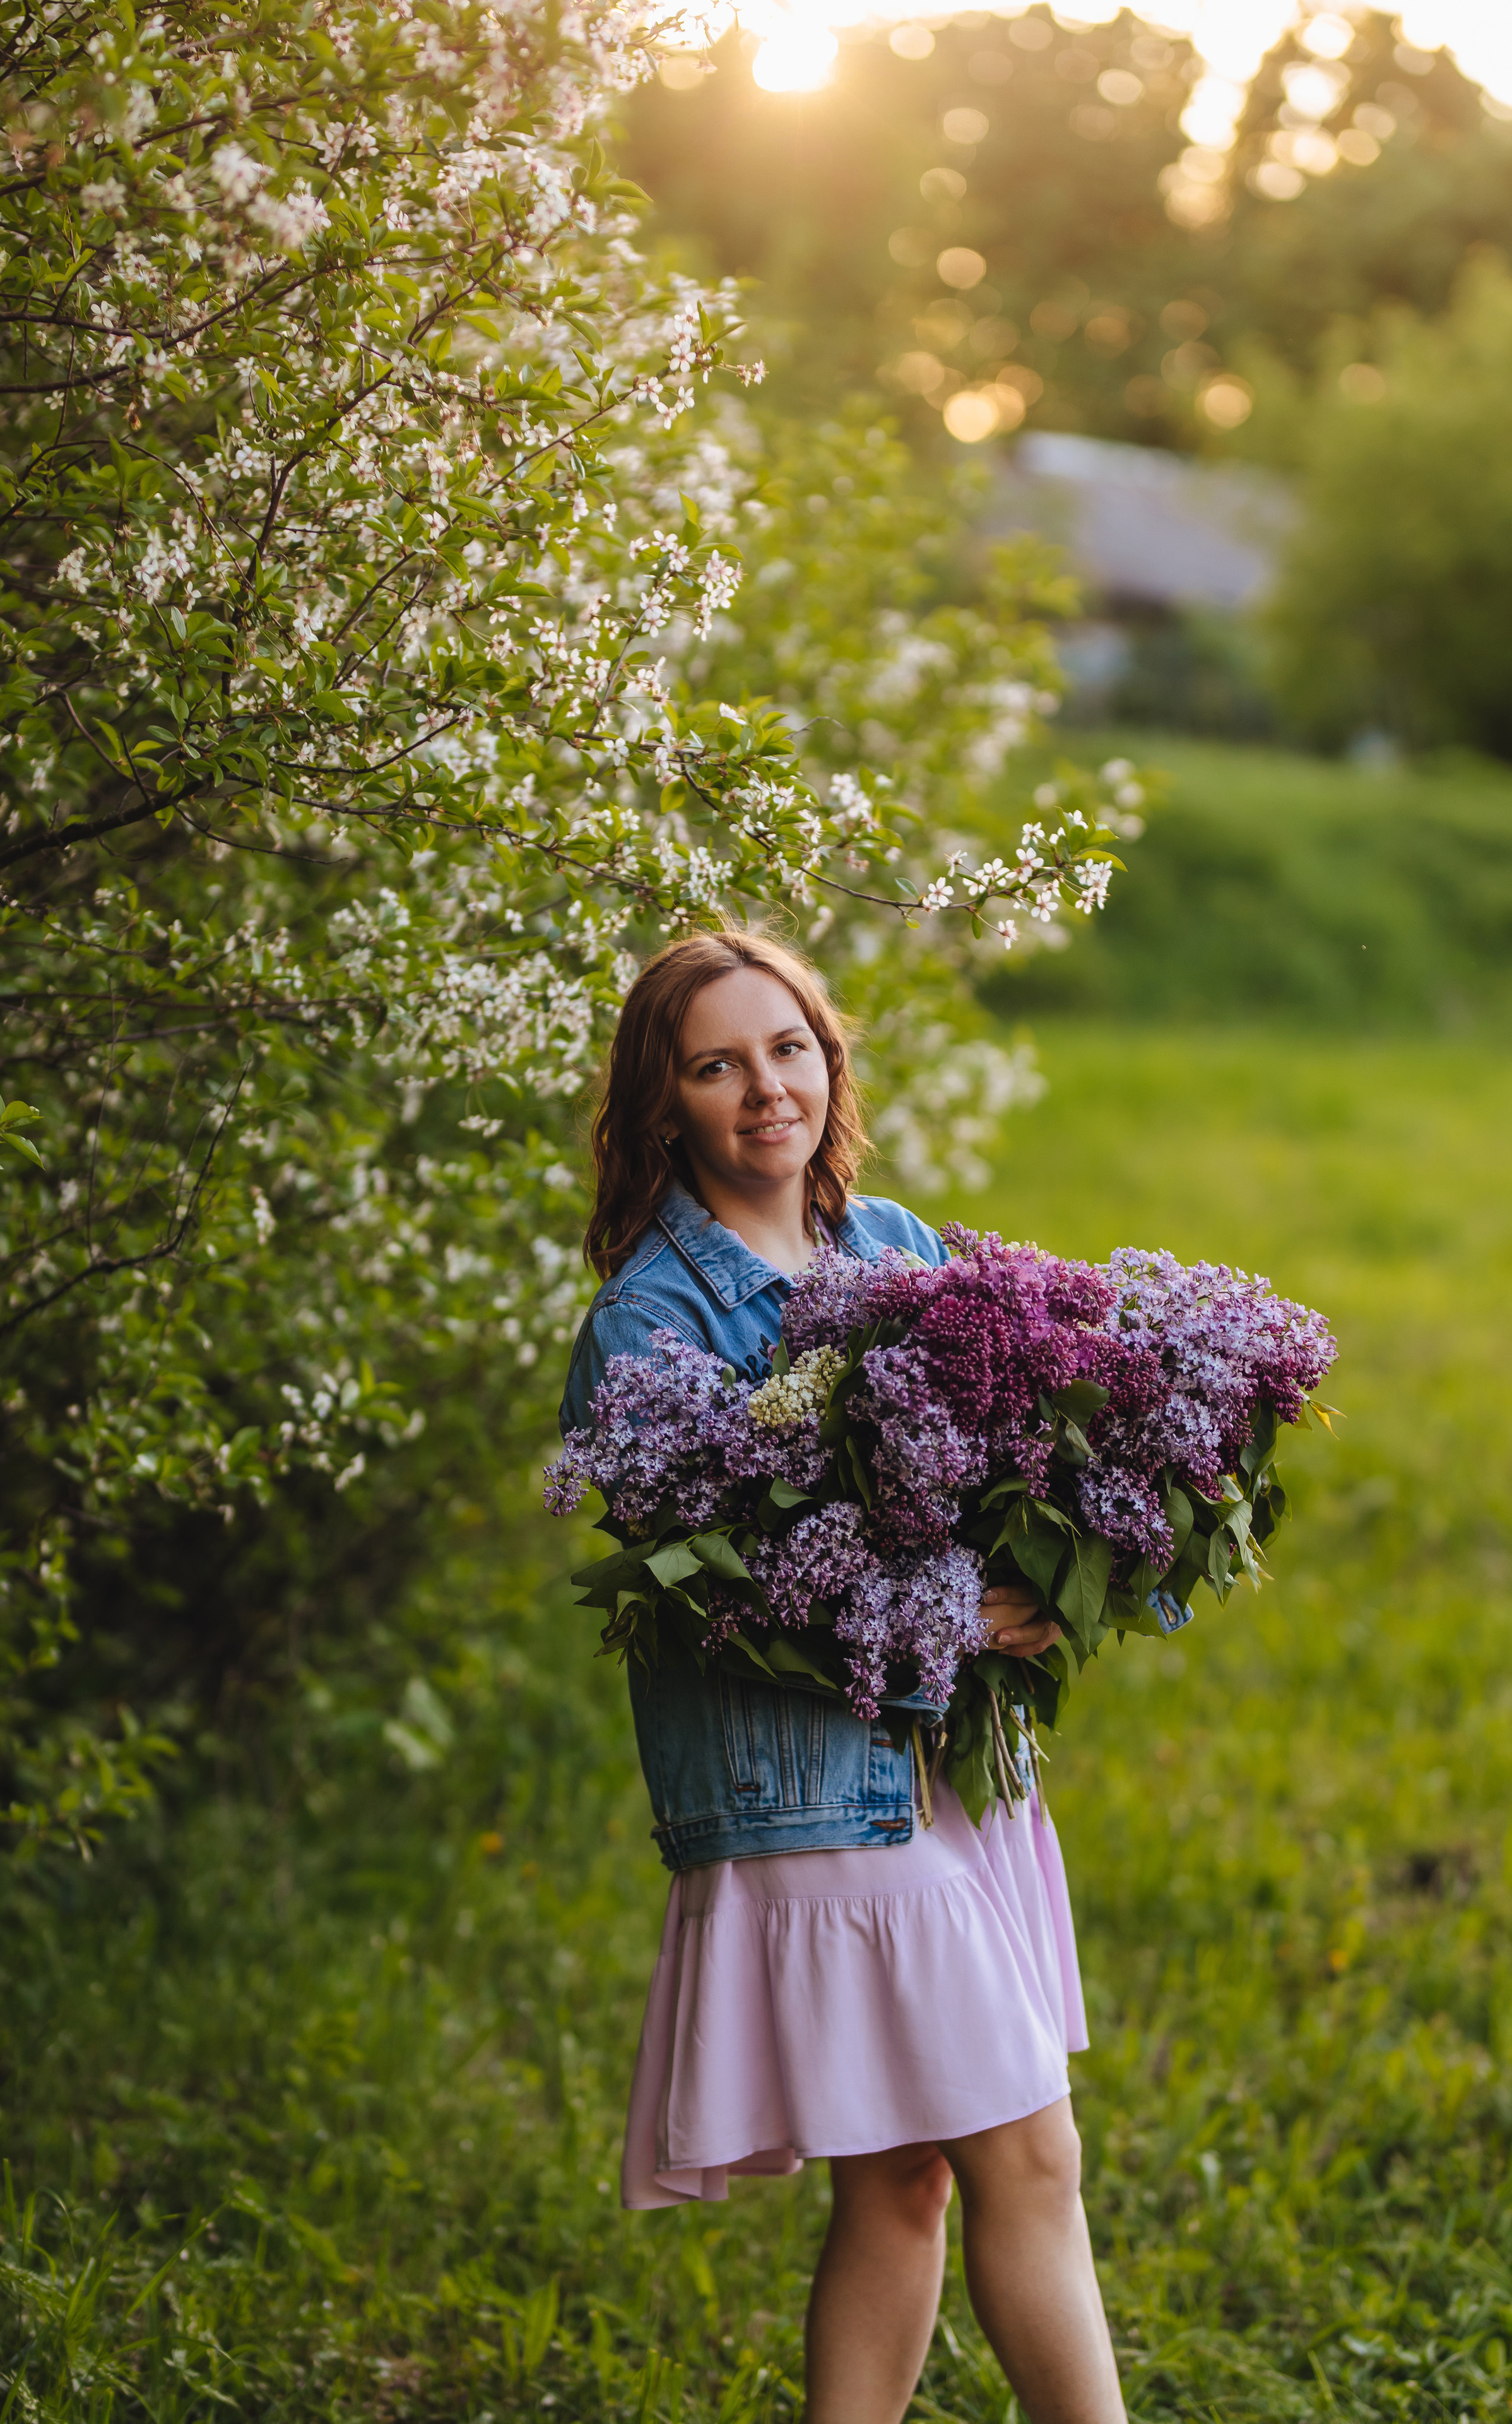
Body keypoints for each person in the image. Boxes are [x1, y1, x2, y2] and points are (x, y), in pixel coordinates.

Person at [559, 925, 1128, 2424]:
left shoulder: (899, 1248)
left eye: (788, 1047)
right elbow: (727, 1600)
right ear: (661, 1102)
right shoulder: (649, 1324)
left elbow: (1011, 1479)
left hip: (937, 1767)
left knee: (906, 2179)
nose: (765, 1090)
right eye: (715, 1065)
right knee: (1028, 2154)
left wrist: (1061, 1578)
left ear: (829, 1056)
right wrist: (952, 1608)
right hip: (813, 1796)